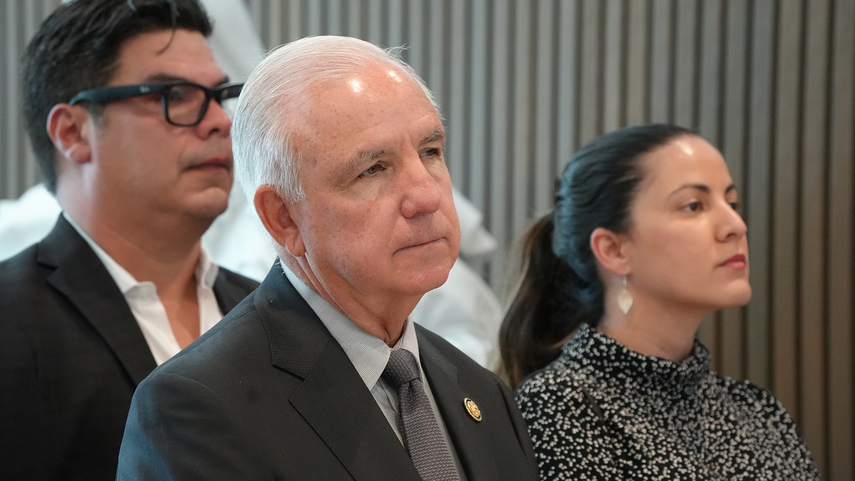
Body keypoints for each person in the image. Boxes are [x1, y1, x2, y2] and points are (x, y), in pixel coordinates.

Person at [116, 35, 538, 480]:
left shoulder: (481, 389)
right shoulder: (198, 408)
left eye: (430, 151)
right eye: (372, 169)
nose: (427, 195)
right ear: (284, 220)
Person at [0, 0, 259, 479]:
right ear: (73, 132)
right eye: (175, 94)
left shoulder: (272, 313)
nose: (221, 121)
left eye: (220, 94)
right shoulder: (11, 321)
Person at [499, 124, 821, 480]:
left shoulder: (757, 409)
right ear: (614, 249)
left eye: (732, 203)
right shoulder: (558, 407)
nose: (736, 225)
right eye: (694, 205)